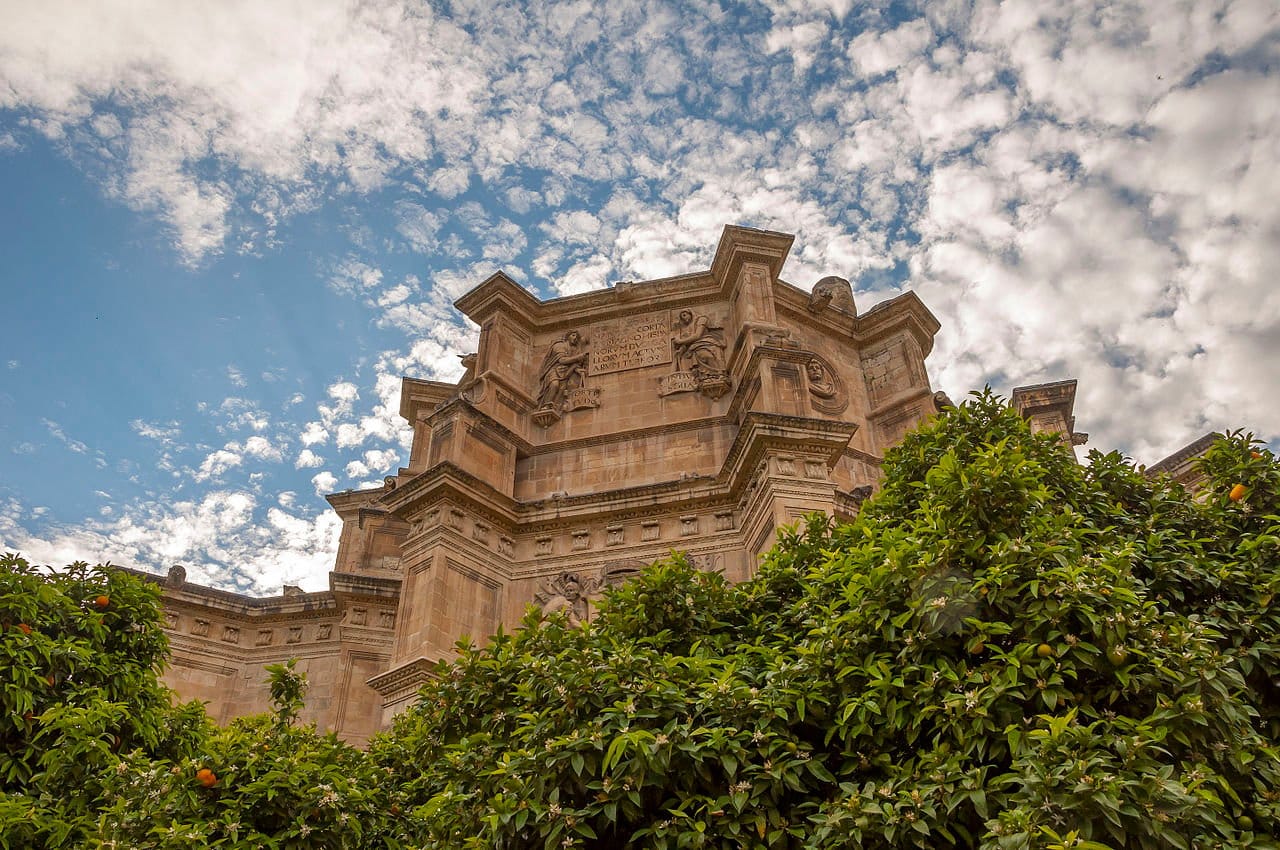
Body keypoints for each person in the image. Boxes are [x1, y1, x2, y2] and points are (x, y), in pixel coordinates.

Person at [537, 330, 589, 411]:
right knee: (554, 385)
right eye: (573, 335)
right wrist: (578, 357)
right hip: (554, 371)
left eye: (577, 337)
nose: (575, 338)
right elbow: (562, 360)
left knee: (562, 389)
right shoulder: (559, 345)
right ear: (567, 336)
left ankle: (554, 407)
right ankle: (546, 405)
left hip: (565, 373)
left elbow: (571, 364)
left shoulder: (572, 350)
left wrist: (577, 369)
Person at [671, 310, 726, 377]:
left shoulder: (701, 319)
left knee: (705, 355)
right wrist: (680, 350)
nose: (684, 319)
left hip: (706, 342)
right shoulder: (688, 327)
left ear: (690, 313)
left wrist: (680, 341)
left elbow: (698, 335)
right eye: (682, 318)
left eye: (684, 315)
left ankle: (716, 374)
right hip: (694, 346)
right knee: (685, 359)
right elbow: (688, 341)